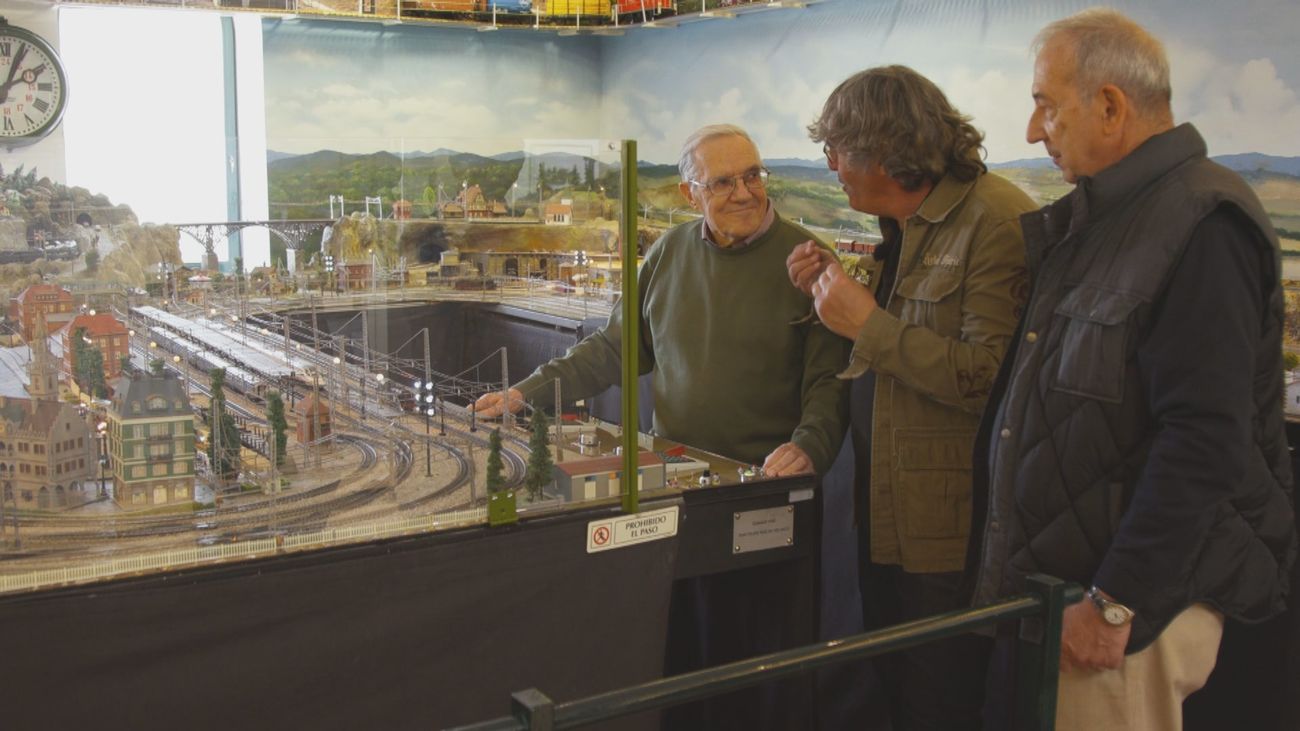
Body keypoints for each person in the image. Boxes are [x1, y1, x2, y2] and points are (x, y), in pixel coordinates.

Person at [968, 9, 1297, 730]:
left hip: (1127, 619)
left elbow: (1205, 438)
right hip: (1072, 597)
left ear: (1110, 106)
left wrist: (1117, 598)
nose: (1032, 130)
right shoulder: (1111, 216)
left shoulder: (1203, 222)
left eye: (1046, 105)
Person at [787, 66, 1036, 730]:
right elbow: (900, 338)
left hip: (947, 536)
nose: (831, 164)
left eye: (838, 149)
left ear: (883, 149)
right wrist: (828, 295)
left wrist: (864, 320)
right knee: (895, 698)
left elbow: (992, 377)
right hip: (890, 516)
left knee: (938, 704)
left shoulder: (995, 220)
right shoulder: (909, 225)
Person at [473, 123, 849, 478]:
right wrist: (526, 393)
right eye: (722, 182)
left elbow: (829, 384)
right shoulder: (668, 251)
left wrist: (809, 448)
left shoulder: (810, 262)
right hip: (672, 468)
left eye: (752, 176)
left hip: (766, 478)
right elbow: (613, 349)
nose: (744, 193)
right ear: (690, 194)